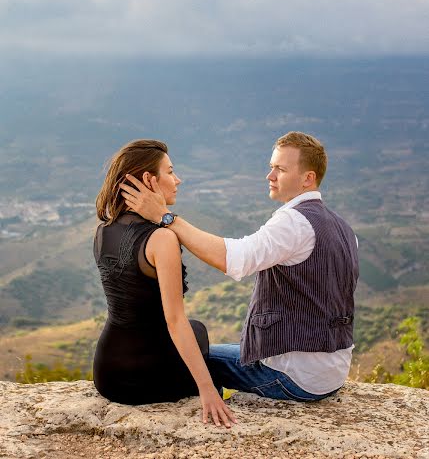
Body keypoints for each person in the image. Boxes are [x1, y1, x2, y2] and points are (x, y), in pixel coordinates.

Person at [120, 131, 359, 402]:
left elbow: (234, 259)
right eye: (271, 167)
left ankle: (213, 419)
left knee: (190, 358)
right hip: (331, 372)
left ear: (308, 178)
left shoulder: (294, 223)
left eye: (280, 169)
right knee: (211, 348)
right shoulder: (343, 227)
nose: (270, 176)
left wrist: (165, 218)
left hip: (296, 375)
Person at [93, 139, 235, 427]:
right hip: (143, 376)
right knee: (197, 332)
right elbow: (174, 321)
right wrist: (207, 390)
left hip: (106, 372)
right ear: (149, 179)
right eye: (170, 172)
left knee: (195, 331)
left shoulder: (102, 231)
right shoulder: (162, 239)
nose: (177, 179)